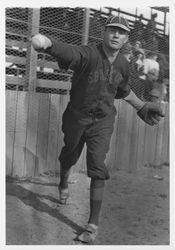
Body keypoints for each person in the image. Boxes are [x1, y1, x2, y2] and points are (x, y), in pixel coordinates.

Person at [32, 15, 164, 244]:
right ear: (104, 32)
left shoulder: (123, 63)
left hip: (102, 121)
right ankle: (63, 180)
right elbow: (69, 52)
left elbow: (122, 90)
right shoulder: (89, 53)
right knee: (69, 154)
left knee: (97, 165)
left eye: (121, 32)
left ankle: (92, 224)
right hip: (76, 118)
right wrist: (49, 43)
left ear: (126, 39)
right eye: (112, 30)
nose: (116, 35)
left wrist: (140, 106)